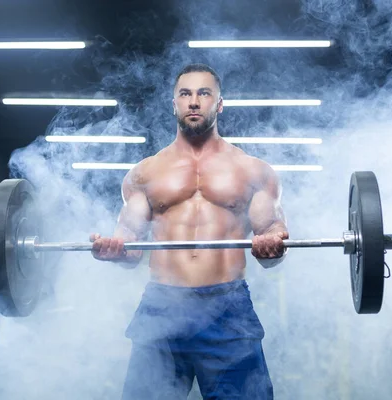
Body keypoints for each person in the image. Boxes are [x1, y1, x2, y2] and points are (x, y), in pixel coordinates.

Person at [90, 63, 289, 399]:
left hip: (227, 308)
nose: (194, 101)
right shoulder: (145, 173)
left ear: (219, 104)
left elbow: (271, 232)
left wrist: (274, 242)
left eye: (204, 93)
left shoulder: (252, 171)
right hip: (162, 306)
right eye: (185, 94)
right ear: (175, 104)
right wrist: (117, 249)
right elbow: (131, 241)